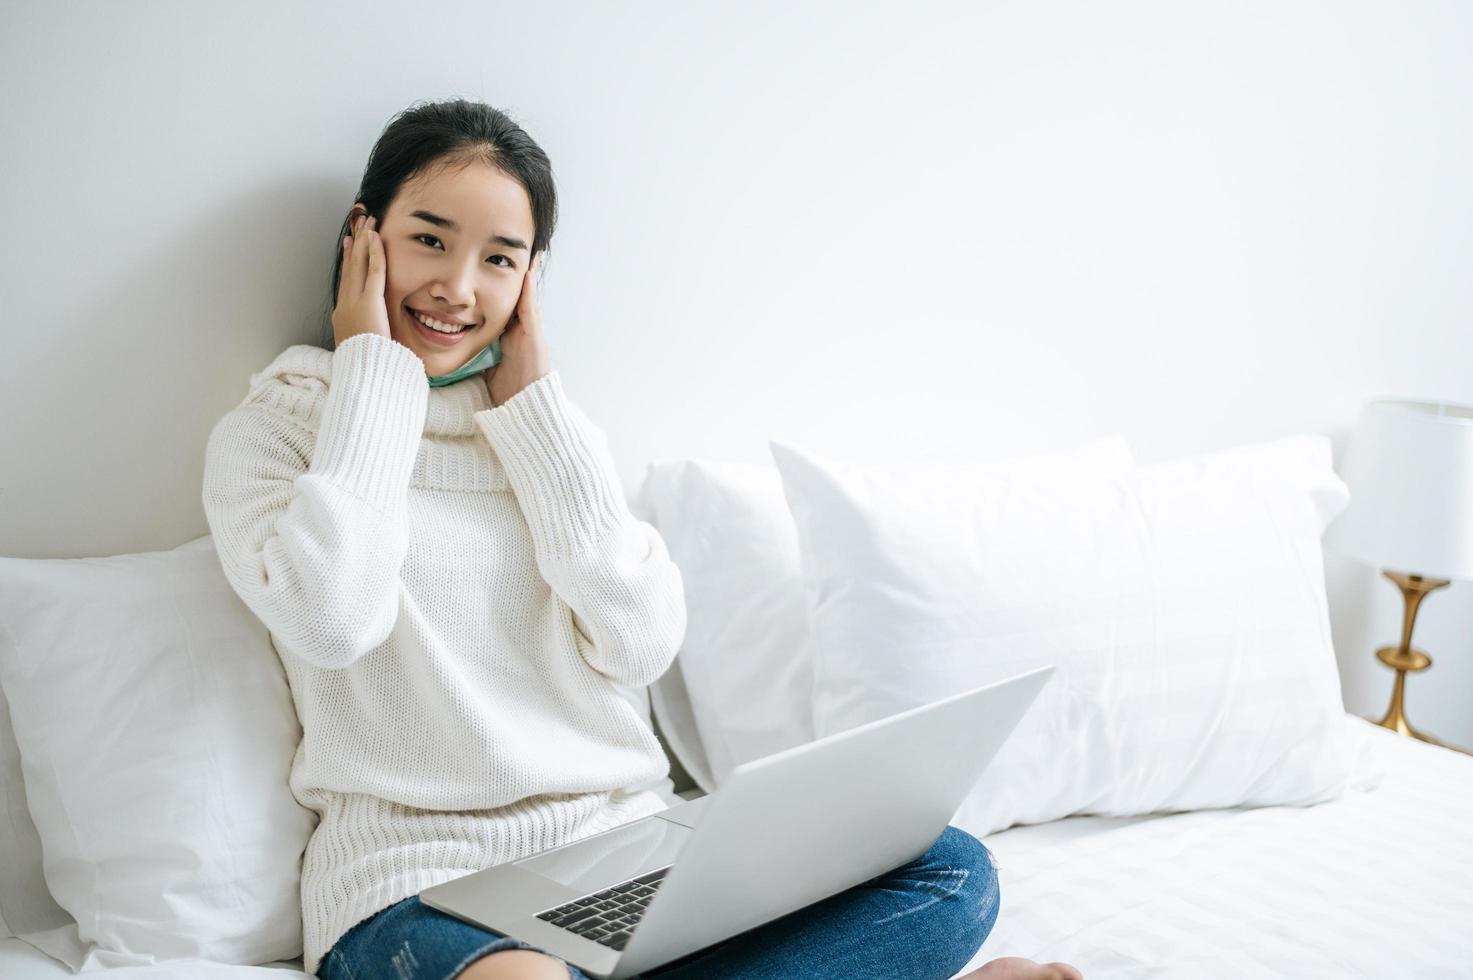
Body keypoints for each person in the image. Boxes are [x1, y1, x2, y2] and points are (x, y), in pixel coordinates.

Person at [202, 98, 1082, 980]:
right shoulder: (281, 429)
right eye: (428, 239)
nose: (459, 288)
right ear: (364, 235)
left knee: (948, 870)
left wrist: (536, 414)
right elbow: (331, 620)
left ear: (530, 280)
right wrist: (372, 374)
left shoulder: (544, 435)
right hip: (418, 883)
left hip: (623, 852)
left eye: (498, 259)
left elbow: (640, 643)